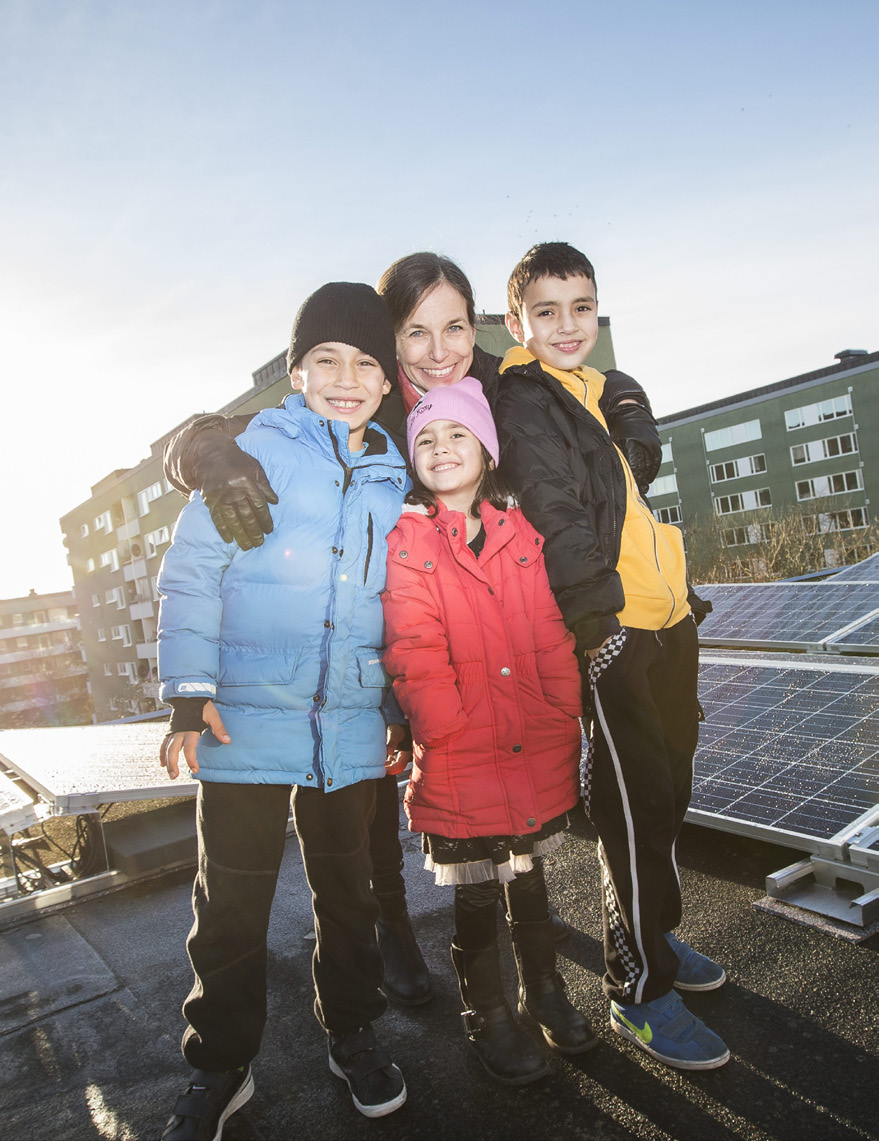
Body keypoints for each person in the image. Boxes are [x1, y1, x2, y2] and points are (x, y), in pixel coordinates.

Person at [160, 252, 657, 996]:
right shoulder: (362, 401)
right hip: (389, 634)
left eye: (453, 327)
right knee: (367, 819)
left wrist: (629, 404)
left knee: (509, 803)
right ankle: (393, 935)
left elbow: (587, 381)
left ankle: (611, 946)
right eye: (414, 333)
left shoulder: (495, 384)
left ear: (474, 326)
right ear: (389, 344)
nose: (437, 351)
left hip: (490, 629)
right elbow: (214, 436)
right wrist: (207, 454)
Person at [157, 282, 410, 1140]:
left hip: (346, 724)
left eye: (366, 362)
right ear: (297, 371)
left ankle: (352, 1029)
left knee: (351, 893)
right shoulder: (250, 453)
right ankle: (221, 1062)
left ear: (386, 379)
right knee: (229, 906)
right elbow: (191, 575)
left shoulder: (392, 474)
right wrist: (189, 696)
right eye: (326, 360)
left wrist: (397, 703)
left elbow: (400, 599)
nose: (347, 377)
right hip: (242, 722)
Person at [495, 242, 727, 1072]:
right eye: (546, 311)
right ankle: (637, 989)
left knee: (667, 795)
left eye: (581, 307)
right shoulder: (521, 400)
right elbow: (554, 513)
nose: (567, 325)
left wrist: (632, 401)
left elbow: (623, 482)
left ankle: (655, 935)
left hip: (668, 618)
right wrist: (598, 625)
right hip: (611, 629)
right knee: (631, 811)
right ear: (515, 320)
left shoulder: (594, 389)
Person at [382, 378, 597, 1086]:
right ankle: (488, 1012)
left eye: (456, 435)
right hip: (460, 755)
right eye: (426, 440)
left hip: (530, 742)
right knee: (474, 895)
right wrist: (446, 729)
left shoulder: (518, 534)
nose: (441, 449)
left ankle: (545, 990)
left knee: (530, 881)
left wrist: (561, 710)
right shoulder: (408, 541)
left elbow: (545, 633)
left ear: (485, 448)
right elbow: (413, 648)